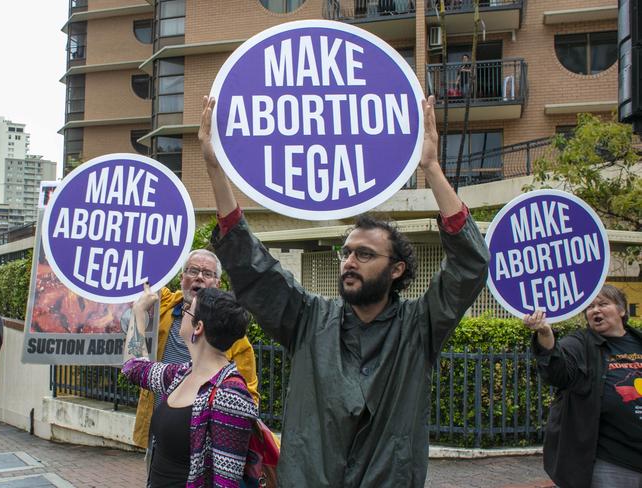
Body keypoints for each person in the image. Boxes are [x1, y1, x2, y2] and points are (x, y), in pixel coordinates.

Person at [198, 94, 490, 487]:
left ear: (397, 269)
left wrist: (433, 169)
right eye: (346, 252)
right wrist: (215, 169)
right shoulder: (309, 319)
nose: (349, 261)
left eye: (365, 254)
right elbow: (254, 268)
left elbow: (469, 266)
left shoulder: (420, 326)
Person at [123, 284, 258, 487]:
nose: (181, 313)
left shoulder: (230, 394)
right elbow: (134, 368)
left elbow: (226, 483)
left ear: (198, 327)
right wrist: (138, 312)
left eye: (187, 310)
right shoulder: (183, 373)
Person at [132, 250, 259, 452]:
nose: (199, 277)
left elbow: (248, 400)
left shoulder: (235, 342)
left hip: (201, 447)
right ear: (181, 279)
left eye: (207, 273)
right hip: (159, 432)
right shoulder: (178, 372)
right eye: (192, 270)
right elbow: (143, 273)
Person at [524, 285, 642, 488]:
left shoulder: (638, 341)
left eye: (603, 304)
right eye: (590, 306)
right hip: (609, 460)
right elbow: (557, 371)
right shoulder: (580, 343)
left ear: (622, 310)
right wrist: (545, 333)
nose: (596, 310)